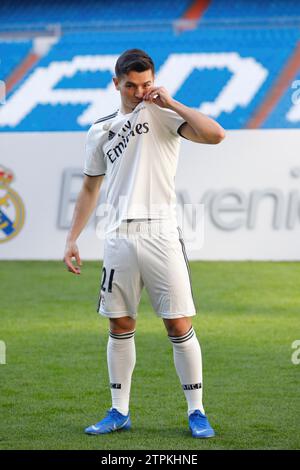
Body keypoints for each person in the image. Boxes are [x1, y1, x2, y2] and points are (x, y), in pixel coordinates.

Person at [63, 49, 225, 438]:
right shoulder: (100, 130)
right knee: (119, 323)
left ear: (154, 81)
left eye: (146, 84)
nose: (139, 92)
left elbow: (216, 134)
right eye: (131, 85)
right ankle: (119, 411)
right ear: (116, 83)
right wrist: (72, 238)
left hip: (161, 233)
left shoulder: (165, 115)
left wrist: (170, 101)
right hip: (118, 236)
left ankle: (196, 410)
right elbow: (89, 187)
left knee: (178, 322)